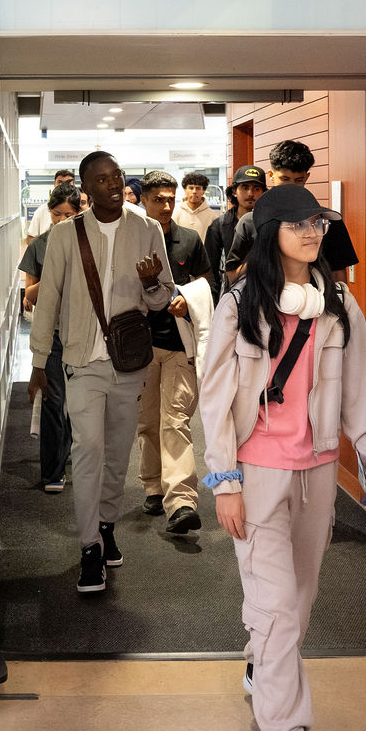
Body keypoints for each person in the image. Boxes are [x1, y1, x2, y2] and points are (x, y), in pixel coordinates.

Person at [198, 185, 366, 731]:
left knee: (298, 599)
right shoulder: (238, 306)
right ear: (271, 229)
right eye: (299, 223)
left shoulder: (339, 307)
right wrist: (224, 480)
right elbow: (216, 400)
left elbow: (362, 397)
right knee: (277, 603)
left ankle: (262, 664)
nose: (313, 231)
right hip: (256, 474)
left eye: (319, 222)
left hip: (319, 470)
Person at [27, 151, 174, 594]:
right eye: (102, 179)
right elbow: (47, 298)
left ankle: (107, 524)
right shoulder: (66, 235)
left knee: (117, 455)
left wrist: (152, 286)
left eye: (117, 177)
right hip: (81, 363)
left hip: (128, 364)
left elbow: (162, 298)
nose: (113, 185)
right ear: (86, 189)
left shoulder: (147, 229)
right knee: (88, 448)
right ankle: (90, 546)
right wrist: (37, 362)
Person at [135, 171, 213, 531]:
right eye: (158, 200)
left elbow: (206, 282)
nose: (166, 206)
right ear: (144, 201)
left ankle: (181, 500)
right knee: (149, 423)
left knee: (176, 420)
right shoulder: (132, 241)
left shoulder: (190, 239)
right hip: (141, 348)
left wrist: (187, 298)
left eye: (171, 199)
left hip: (181, 345)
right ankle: (153, 484)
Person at [225, 139, 359, 287]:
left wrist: (339, 305)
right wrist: (262, 255)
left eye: (299, 180)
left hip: (318, 305)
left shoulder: (328, 222)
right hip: (262, 303)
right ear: (271, 175)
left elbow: (338, 275)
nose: (291, 187)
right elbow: (231, 276)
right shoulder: (250, 222)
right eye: (285, 179)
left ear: (307, 177)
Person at [18, 182, 80, 491]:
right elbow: (28, 293)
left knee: (82, 402)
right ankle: (52, 471)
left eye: (69, 214)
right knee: (53, 400)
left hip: (83, 331)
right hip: (52, 332)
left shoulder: (88, 243)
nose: (62, 221)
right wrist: (55, 275)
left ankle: (71, 453)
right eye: (56, 214)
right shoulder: (39, 246)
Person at [203, 164, 266, 303]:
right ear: (234, 191)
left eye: (256, 188)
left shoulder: (270, 224)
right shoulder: (219, 226)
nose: (250, 193)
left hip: (264, 296)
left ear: (263, 192)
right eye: (245, 187)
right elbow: (210, 270)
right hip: (229, 296)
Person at [25, 169, 76, 248]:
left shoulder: (81, 210)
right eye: (60, 182)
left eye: (68, 215)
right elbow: (30, 237)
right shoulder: (42, 210)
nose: (62, 220)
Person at [172, 170, 219, 239]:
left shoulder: (213, 216)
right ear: (185, 190)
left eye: (198, 188)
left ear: (203, 191)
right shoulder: (176, 214)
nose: (194, 192)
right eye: (191, 188)